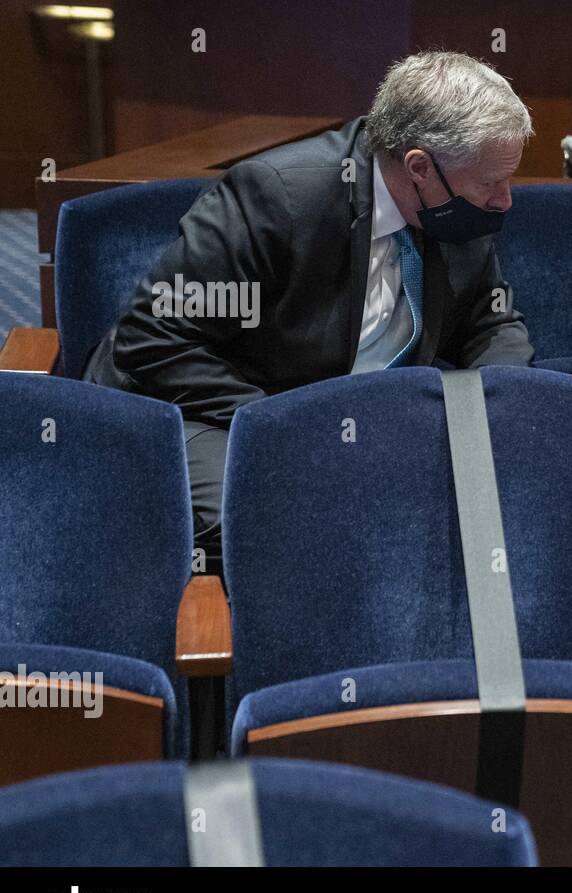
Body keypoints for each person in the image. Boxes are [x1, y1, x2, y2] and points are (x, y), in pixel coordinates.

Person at [82, 51, 535, 575]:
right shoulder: (278, 197)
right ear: (419, 166)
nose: (504, 201)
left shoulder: (453, 210)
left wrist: (504, 408)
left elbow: (489, 320)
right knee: (282, 517)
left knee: (486, 496)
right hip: (198, 407)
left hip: (344, 418)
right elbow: (152, 337)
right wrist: (288, 425)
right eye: (490, 184)